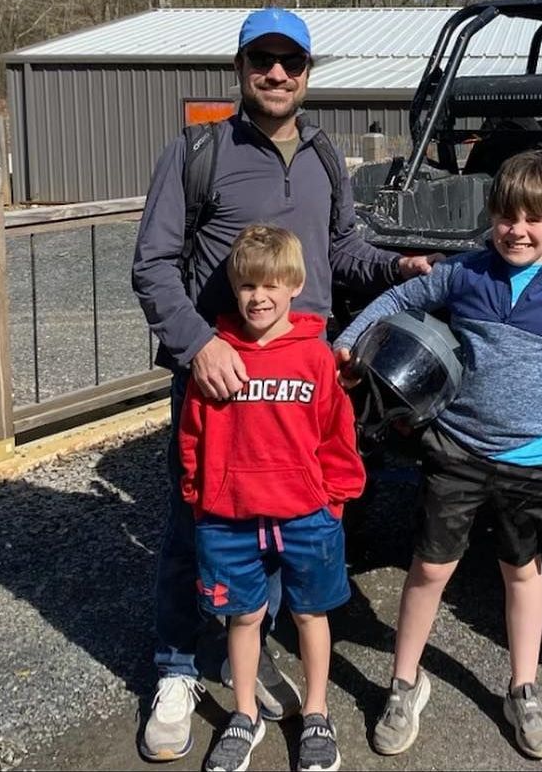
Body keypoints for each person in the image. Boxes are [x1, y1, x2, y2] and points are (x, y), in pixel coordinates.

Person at [131, 7, 434, 762]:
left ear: (307, 73)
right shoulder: (199, 152)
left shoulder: (327, 156)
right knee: (195, 524)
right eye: (262, 60)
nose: (276, 74)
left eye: (290, 62)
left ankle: (254, 653)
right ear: (240, 69)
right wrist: (198, 345)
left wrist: (397, 267)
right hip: (223, 381)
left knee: (299, 522)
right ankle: (176, 670)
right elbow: (153, 265)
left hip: (303, 381)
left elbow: (342, 250)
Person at [334, 150, 542, 761]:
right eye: (507, 217)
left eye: (535, 219)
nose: (519, 230)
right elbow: (396, 301)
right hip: (457, 449)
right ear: (491, 218)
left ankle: (524, 689)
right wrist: (350, 343)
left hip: (536, 459)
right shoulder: (464, 273)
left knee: (523, 571)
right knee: (431, 567)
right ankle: (405, 683)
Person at [180, 226, 364, 772]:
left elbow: (337, 434)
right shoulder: (216, 358)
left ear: (295, 286)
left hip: (307, 517)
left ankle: (316, 713)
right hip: (228, 519)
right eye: (246, 287)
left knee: (310, 615)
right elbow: (192, 436)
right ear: (234, 290)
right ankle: (244, 714)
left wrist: (334, 501)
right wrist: (201, 496)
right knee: (243, 618)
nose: (258, 297)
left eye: (270, 285)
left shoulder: (315, 357)